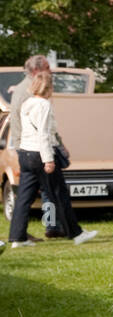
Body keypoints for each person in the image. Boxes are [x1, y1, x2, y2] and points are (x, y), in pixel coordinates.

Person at [7, 70, 95, 248]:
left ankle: (17, 237)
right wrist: (48, 159)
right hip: (40, 154)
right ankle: (76, 234)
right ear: (48, 87)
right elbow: (44, 134)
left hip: (25, 153)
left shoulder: (26, 103)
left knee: (24, 198)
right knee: (59, 194)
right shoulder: (44, 105)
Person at [4, 54, 65, 239]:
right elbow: (42, 128)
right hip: (34, 149)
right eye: (47, 67)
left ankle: (23, 233)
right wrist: (53, 150)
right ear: (37, 71)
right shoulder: (33, 95)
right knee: (49, 191)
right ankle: (58, 228)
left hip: (25, 148)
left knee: (31, 193)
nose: (50, 71)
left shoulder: (22, 89)